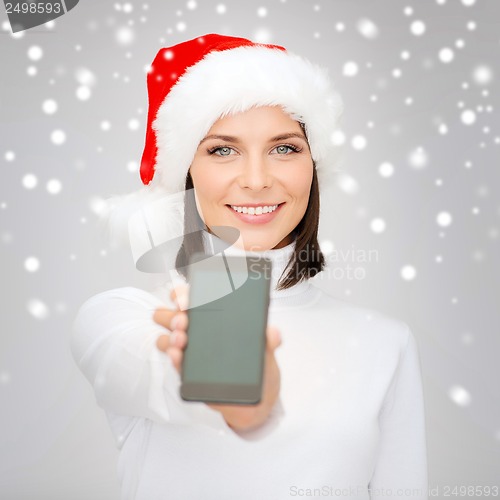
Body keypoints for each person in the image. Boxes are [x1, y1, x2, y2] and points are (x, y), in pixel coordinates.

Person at [71, 34, 428, 500]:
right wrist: (243, 396)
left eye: (285, 148)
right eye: (222, 149)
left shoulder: (387, 341)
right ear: (186, 172)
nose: (257, 180)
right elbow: (157, 374)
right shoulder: (120, 319)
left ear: (313, 166)